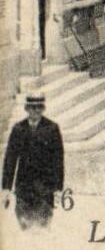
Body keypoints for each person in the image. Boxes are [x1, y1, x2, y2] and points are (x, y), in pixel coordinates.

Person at [2, 92, 64, 229]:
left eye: (39, 107)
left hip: (45, 188)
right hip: (23, 187)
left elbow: (58, 161)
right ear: (26, 108)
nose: (36, 110)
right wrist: (6, 188)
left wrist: (58, 189)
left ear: (43, 108)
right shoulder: (18, 129)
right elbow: (10, 160)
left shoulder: (52, 128)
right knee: (25, 226)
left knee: (43, 227)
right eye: (32, 107)